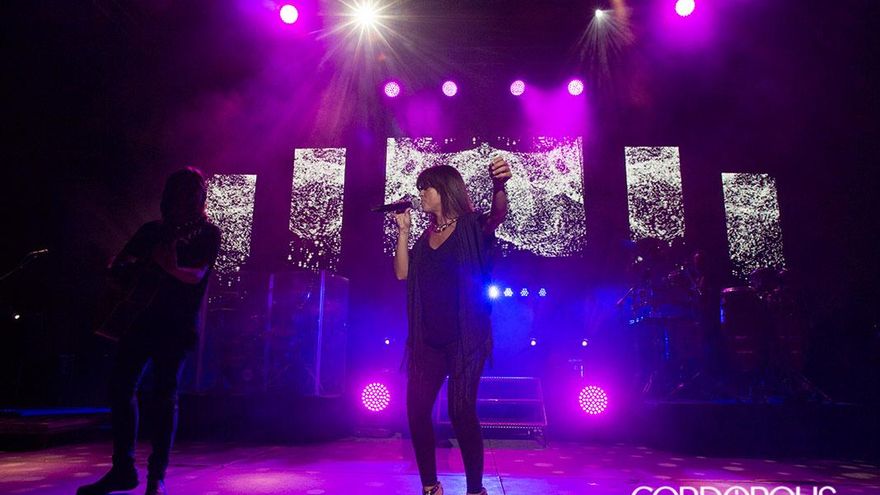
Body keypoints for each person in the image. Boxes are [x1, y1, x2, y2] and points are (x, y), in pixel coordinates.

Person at [79, 168, 221, 495]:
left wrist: (170, 267)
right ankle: (123, 470)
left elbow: (197, 275)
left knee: (164, 396)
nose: (181, 201)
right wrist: (118, 268)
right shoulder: (151, 231)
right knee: (120, 388)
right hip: (139, 321)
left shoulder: (207, 233)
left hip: (176, 326)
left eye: (188, 195)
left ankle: (157, 476)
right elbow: (121, 269)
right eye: (176, 194)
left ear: (198, 198)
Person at [393, 158, 511, 495]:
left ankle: (475, 489)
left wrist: (499, 186)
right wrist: (403, 232)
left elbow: (497, 215)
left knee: (461, 412)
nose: (421, 195)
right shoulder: (424, 239)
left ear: (444, 190)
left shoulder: (471, 226)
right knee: (417, 411)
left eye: (426, 188)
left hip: (465, 339)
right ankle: (431, 486)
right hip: (428, 340)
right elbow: (402, 274)